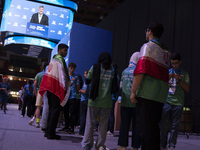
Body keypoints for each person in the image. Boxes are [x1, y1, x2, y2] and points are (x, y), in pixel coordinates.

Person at [130, 23, 170, 150]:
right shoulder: (166, 51)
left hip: (147, 94)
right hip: (160, 95)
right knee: (154, 129)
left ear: (150, 31)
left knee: (145, 131)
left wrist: (133, 92)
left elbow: (140, 70)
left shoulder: (148, 47)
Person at [81, 52, 118, 150]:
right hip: (107, 102)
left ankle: (87, 144)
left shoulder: (95, 67)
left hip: (94, 101)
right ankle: (100, 145)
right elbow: (115, 86)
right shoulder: (113, 70)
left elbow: (87, 80)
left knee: (90, 124)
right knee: (103, 126)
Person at [39, 43, 71, 140]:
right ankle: (51, 133)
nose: (66, 52)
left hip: (49, 87)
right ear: (60, 50)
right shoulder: (60, 60)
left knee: (51, 110)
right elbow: (64, 74)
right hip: (56, 87)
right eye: (65, 50)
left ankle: (48, 131)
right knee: (55, 110)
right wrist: (68, 83)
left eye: (67, 51)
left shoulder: (53, 59)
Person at [160, 53, 190, 150]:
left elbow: (187, 89)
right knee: (163, 126)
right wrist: (167, 78)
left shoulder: (184, 74)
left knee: (175, 126)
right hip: (167, 101)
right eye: (172, 63)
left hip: (178, 103)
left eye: (176, 63)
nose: (174, 65)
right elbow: (161, 86)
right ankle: (162, 145)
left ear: (180, 62)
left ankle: (172, 145)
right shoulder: (168, 72)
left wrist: (179, 80)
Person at [117, 52, 141, 150]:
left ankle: (123, 146)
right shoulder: (139, 71)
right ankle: (135, 146)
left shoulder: (124, 71)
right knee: (136, 126)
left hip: (125, 102)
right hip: (136, 103)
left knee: (124, 125)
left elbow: (121, 86)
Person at [59, 62, 80, 134]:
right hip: (66, 97)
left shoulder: (76, 77)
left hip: (72, 97)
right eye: (71, 68)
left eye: (73, 68)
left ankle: (71, 128)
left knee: (72, 113)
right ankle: (66, 126)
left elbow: (78, 88)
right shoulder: (65, 76)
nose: (72, 69)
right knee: (65, 112)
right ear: (68, 68)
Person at [28, 62, 48, 128]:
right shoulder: (49, 74)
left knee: (38, 107)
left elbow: (35, 84)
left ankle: (37, 122)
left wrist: (35, 92)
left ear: (42, 67)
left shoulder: (39, 74)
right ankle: (43, 123)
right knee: (45, 107)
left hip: (40, 91)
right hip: (47, 91)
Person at [107, 64, 120, 137]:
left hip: (108, 97)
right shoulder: (117, 77)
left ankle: (108, 130)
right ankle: (110, 131)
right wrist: (116, 97)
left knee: (108, 114)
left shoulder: (110, 76)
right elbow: (118, 89)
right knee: (111, 114)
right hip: (113, 98)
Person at [78, 70, 90, 136]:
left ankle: (81, 131)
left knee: (82, 116)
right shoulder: (92, 82)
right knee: (86, 116)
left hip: (84, 100)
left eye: (85, 73)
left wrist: (80, 90)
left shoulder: (86, 82)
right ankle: (85, 131)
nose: (84, 75)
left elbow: (84, 91)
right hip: (89, 100)